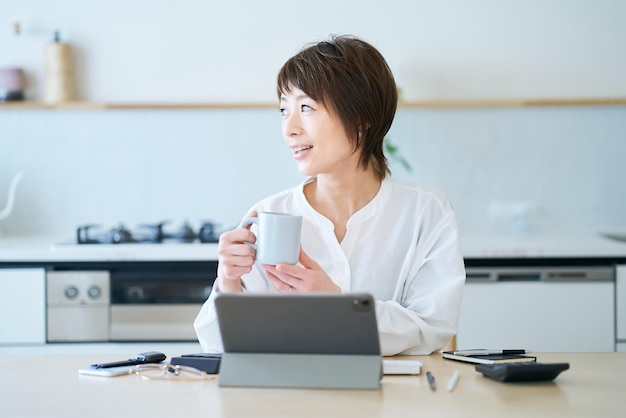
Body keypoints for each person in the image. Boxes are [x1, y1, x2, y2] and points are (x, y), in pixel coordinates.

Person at [194, 35, 466, 356]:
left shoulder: (426, 211)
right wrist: (228, 282)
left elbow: (431, 327)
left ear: (362, 118)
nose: (289, 128)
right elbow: (219, 345)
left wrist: (339, 306)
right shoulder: (269, 214)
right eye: (284, 110)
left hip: (392, 401)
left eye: (306, 107)